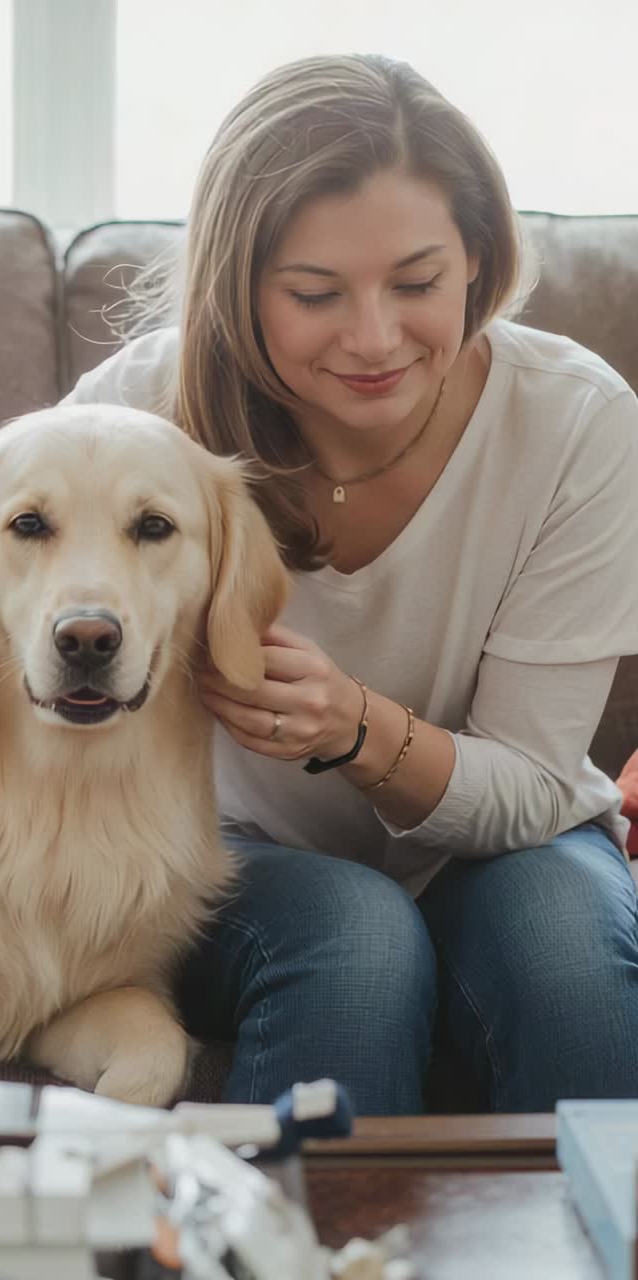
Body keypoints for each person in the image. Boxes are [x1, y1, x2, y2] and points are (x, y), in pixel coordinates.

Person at [65, 54, 638, 1115]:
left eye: (417, 283)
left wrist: (356, 728)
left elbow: (529, 781)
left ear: (477, 257)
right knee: (357, 939)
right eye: (316, 293)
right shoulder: (139, 413)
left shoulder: (577, 423)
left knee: (572, 971)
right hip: (223, 847)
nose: (375, 337)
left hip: (514, 834)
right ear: (239, 286)